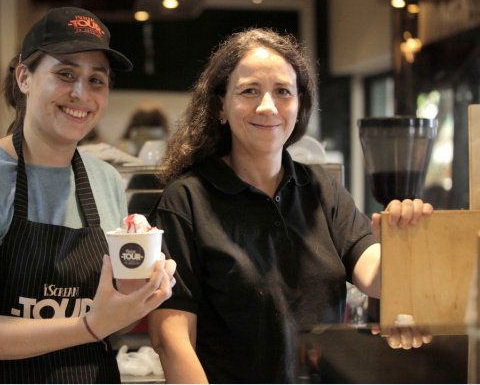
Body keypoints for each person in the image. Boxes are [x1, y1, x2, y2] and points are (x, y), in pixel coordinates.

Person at [147, 28, 433, 383]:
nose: (267, 107)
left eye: (283, 91)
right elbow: (170, 336)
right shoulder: (186, 200)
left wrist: (404, 241)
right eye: (249, 90)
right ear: (221, 106)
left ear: (300, 106)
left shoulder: (323, 190)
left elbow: (377, 278)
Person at [0, 7, 176, 383]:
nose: (82, 93)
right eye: (65, 74)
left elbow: (109, 306)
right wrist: (90, 326)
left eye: (97, 80)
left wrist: (144, 282)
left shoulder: (105, 179)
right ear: (24, 77)